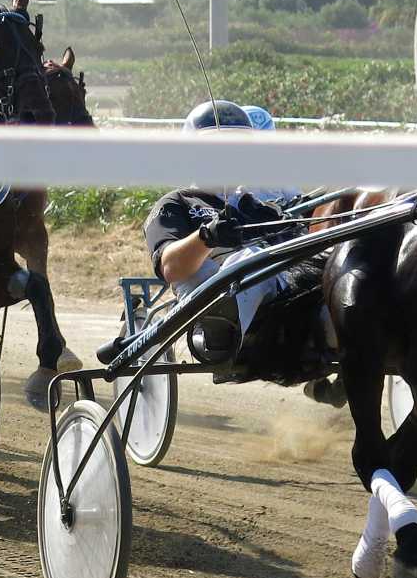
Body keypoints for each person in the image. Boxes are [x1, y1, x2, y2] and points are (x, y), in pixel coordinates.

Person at [139, 99, 331, 387]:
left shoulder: (255, 205)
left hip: (280, 299)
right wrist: (208, 237)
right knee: (250, 257)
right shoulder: (174, 204)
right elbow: (171, 267)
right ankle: (225, 334)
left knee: (334, 264)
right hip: (210, 297)